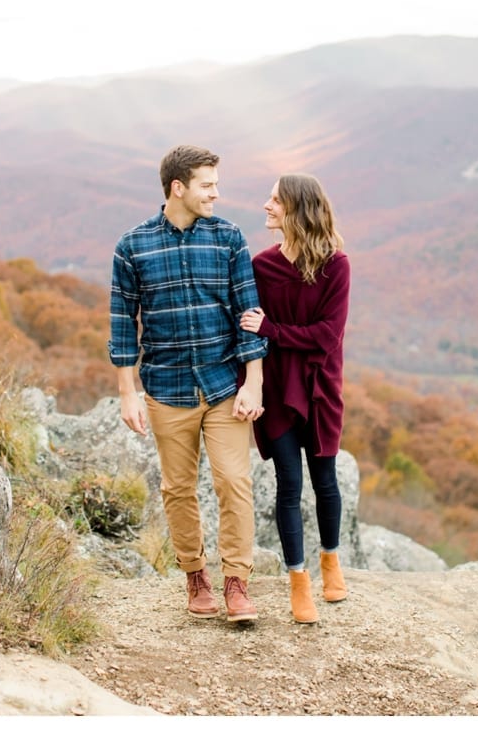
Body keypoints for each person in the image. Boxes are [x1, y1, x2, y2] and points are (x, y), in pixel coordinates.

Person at [109, 144, 268, 623]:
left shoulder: (229, 238)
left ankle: (237, 584)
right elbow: (122, 323)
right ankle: (195, 575)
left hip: (223, 384)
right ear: (178, 188)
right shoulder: (132, 246)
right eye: (207, 185)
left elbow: (249, 315)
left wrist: (253, 381)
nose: (216, 194)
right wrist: (126, 391)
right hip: (166, 387)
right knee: (178, 489)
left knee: (234, 483)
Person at [239, 174, 350, 624]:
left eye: (275, 200)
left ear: (297, 209)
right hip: (278, 391)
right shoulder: (261, 266)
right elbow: (247, 329)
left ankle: (331, 562)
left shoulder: (336, 265)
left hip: (321, 388)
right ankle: (298, 581)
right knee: (289, 485)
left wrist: (273, 331)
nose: (266, 206)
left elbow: (327, 336)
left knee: (325, 480)